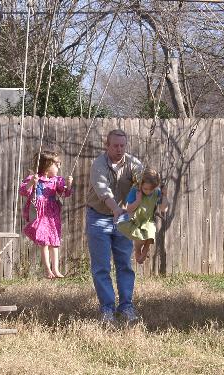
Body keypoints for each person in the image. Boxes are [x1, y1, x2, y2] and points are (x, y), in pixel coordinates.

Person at [86, 128, 144, 324]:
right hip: (98, 217)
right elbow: (103, 192)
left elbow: (143, 183)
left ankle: (126, 306)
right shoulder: (98, 165)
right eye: (115, 146)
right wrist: (116, 210)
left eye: (122, 145)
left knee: (124, 265)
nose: (119, 149)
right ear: (107, 145)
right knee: (101, 266)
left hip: (123, 218)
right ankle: (107, 308)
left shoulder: (133, 164)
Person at [19, 150, 73, 279]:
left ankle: (56, 269)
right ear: (47, 166)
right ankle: (48, 269)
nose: (59, 166)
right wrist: (32, 182)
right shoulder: (35, 178)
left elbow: (65, 194)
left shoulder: (57, 180)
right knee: (44, 242)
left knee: (54, 241)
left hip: (52, 214)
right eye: (57, 164)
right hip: (39, 213)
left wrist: (69, 185)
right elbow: (23, 191)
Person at [117, 168, 169, 264]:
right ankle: (137, 249)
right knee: (140, 238)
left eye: (151, 189)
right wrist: (138, 201)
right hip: (135, 220)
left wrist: (164, 196)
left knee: (151, 234)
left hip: (148, 220)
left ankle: (145, 251)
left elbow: (163, 209)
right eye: (145, 189)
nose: (148, 192)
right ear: (140, 184)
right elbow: (128, 209)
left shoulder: (157, 192)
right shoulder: (135, 191)